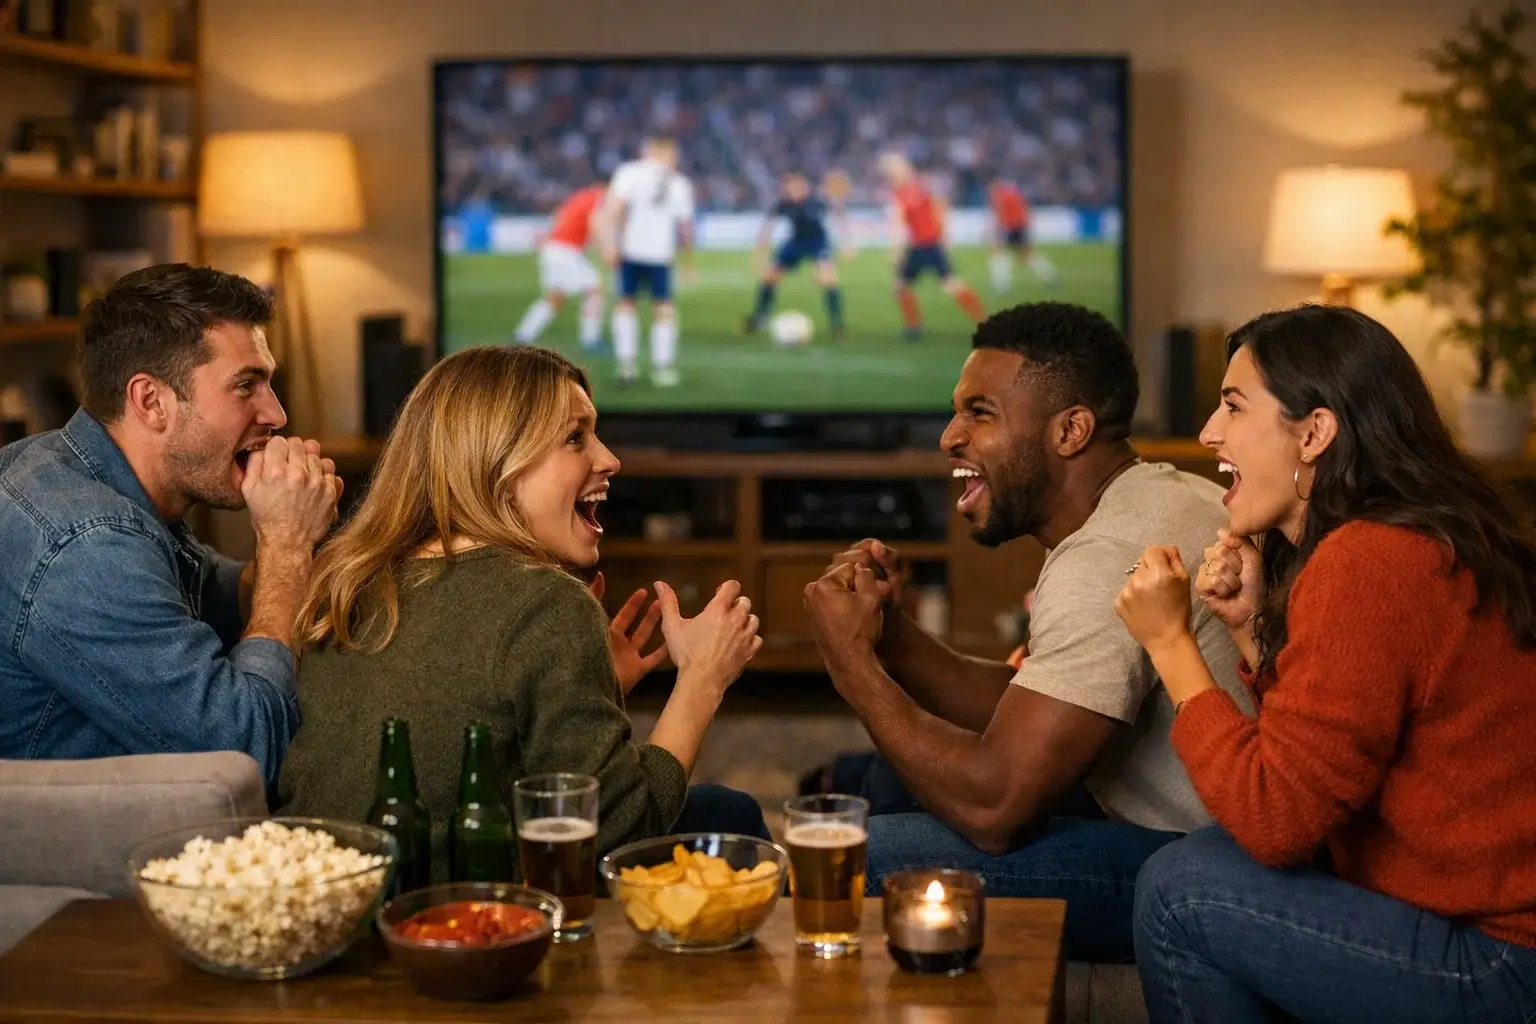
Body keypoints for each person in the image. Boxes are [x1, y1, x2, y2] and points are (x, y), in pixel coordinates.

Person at [1117, 304, 1536, 1023]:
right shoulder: (1402, 538)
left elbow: (1278, 819)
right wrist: (1251, 631)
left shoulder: (1369, 561)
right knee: (1199, 864)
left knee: (1180, 891)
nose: (1210, 433)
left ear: (1313, 433)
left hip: (1501, 958)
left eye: (1232, 406)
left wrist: (1171, 644)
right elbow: (1324, 762)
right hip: (1482, 924)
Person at [802, 302, 1252, 963]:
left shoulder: (1107, 553)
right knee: (878, 785)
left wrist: (851, 668)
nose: (949, 437)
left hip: (1212, 873)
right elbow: (1036, 707)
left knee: (843, 860)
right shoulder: (1156, 496)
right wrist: (887, 636)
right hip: (1217, 839)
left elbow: (993, 808)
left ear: (1070, 430)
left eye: (980, 414)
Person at [278, 346, 769, 882]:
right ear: (497, 463)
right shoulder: (547, 603)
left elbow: (451, 727)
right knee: (730, 813)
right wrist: (702, 679)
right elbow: (615, 834)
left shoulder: (348, 578)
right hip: (460, 918)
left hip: (324, 898)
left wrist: (592, 686)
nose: (609, 459)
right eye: (575, 438)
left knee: (721, 808)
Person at [0, 263, 341, 789]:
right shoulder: (86, 544)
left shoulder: (86, 474)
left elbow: (212, 592)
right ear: (151, 401)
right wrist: (287, 546)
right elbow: (248, 756)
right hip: (87, 862)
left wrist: (300, 538)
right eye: (246, 385)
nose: (276, 413)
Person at [597, 136, 695, 387]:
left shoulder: (629, 173)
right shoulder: (679, 182)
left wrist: (610, 244)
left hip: (630, 250)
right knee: (663, 310)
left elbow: (614, 210)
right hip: (660, 255)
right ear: (666, 152)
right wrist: (688, 262)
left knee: (625, 305)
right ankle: (662, 369)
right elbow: (684, 227)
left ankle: (626, 367)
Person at [877, 153, 986, 341]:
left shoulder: (906, 192)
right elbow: (941, 207)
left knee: (949, 285)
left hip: (927, 245)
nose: (890, 176)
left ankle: (984, 323)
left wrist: (895, 251)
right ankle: (914, 327)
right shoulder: (920, 186)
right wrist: (945, 232)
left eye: (891, 172)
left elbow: (897, 222)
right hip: (920, 245)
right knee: (901, 285)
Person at [742, 171, 848, 338]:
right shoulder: (782, 205)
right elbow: (766, 229)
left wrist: (845, 243)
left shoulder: (816, 202)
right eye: (789, 187)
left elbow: (837, 213)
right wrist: (760, 254)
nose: (794, 191)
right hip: (796, 242)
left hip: (817, 242)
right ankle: (759, 317)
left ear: (804, 187)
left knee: (827, 280)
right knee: (770, 277)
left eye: (797, 187)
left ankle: (837, 325)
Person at [511, 184, 607, 350]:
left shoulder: (580, 196)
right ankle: (591, 341)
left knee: (554, 297)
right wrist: (604, 249)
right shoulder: (600, 198)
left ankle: (522, 335)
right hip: (565, 251)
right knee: (595, 289)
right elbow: (595, 224)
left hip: (553, 249)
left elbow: (559, 216)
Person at [987, 179, 1058, 295]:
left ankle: (1002, 286)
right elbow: (1024, 210)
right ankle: (1050, 275)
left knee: (999, 255)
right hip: (1020, 227)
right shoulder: (1012, 192)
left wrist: (997, 233)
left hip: (1011, 228)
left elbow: (1002, 215)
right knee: (1027, 256)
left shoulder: (999, 195)